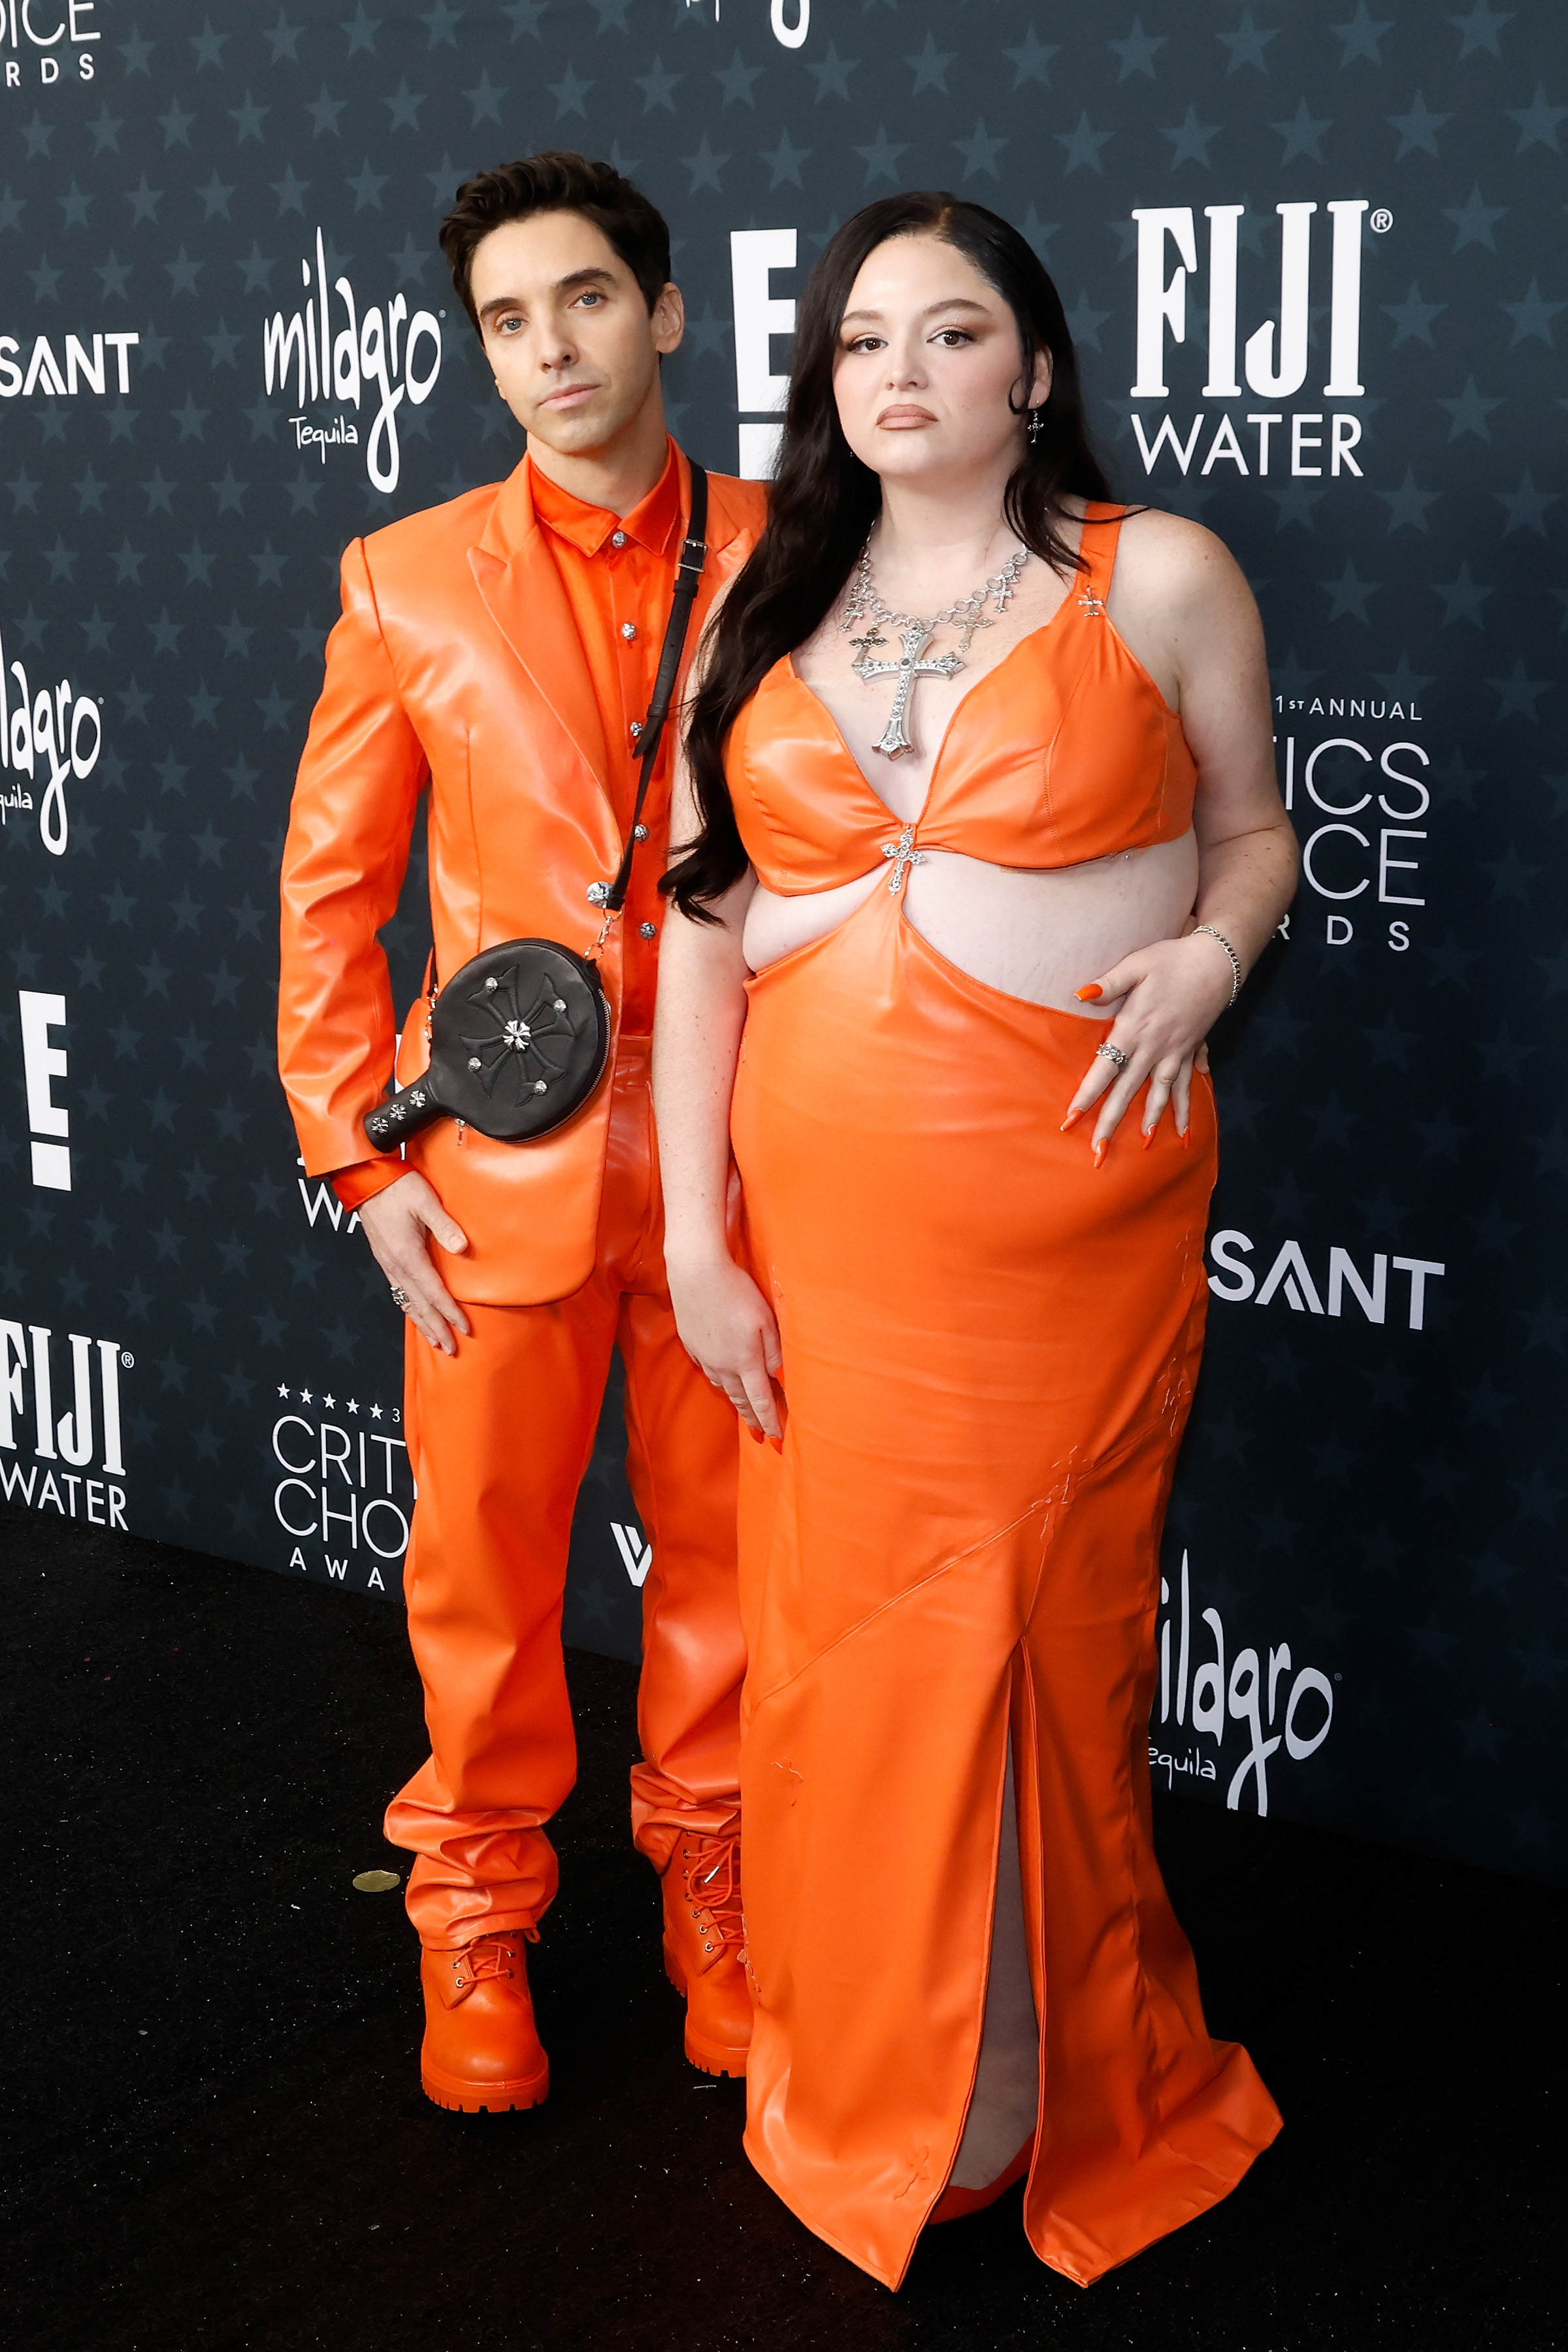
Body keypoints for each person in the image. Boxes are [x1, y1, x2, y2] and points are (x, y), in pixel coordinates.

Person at [652, 191, 1298, 2289]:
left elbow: (1255, 831)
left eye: (952, 330)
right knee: (850, 1660)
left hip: (1065, 1220)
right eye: (859, 341)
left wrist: (1212, 957)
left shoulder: (1162, 572)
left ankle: (1042, 2076)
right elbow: (700, 950)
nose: (900, 370)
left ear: (1033, 367)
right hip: (822, 1237)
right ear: (825, 382)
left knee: (1039, 1645)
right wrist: (698, 1242)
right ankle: (892, 2073)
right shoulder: (769, 591)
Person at [278, 153, 768, 2112]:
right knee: (480, 1578)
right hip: (497, 1173)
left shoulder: (798, 545)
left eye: (582, 299)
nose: (548, 347)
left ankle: (713, 1888)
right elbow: (332, 891)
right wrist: (358, 1155)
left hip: (747, 1162)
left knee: (734, 1568)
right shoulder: (400, 579)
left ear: (663, 310)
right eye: (504, 319)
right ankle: (474, 1923)